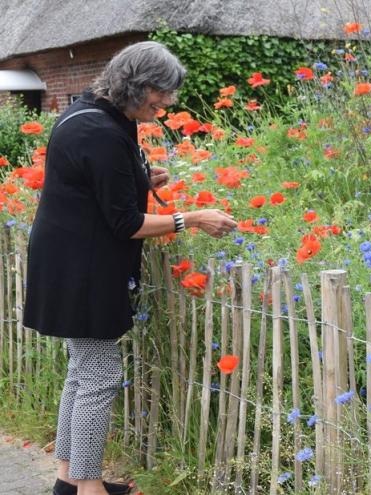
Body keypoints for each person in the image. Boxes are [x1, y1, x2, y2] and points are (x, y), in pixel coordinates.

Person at [23, 41, 238, 495]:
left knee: (82, 373)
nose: (165, 107)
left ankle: (69, 480)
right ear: (137, 87)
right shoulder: (99, 130)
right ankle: (87, 487)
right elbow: (125, 222)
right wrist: (193, 218)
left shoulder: (93, 113)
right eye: (160, 98)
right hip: (82, 269)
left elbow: (97, 186)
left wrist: (139, 177)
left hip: (69, 260)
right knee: (98, 378)